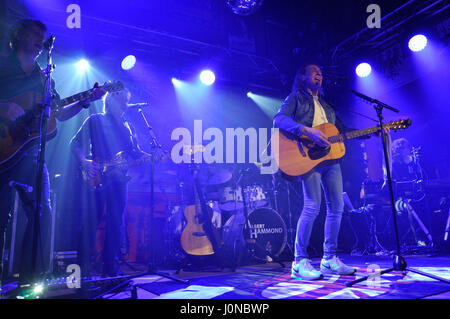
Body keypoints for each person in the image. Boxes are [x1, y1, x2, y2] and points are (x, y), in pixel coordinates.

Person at [0, 19, 104, 286]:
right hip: (3, 150)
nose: (38, 40)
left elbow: (57, 112)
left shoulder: (44, 76)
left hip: (31, 154)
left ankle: (29, 280)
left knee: (41, 213)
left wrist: (83, 102)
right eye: (34, 34)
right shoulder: (3, 65)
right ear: (18, 35)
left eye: (41, 36)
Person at [273, 63, 356, 280]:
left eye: (321, 72)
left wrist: (373, 131)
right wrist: (306, 130)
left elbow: (343, 131)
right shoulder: (296, 98)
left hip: (330, 158)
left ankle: (329, 259)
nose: (319, 74)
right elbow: (279, 119)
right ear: (302, 77)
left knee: (337, 207)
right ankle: (299, 261)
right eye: (314, 72)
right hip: (306, 156)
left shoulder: (327, 105)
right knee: (312, 206)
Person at [70, 88, 151, 277]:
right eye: (122, 100)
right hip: (97, 177)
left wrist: (152, 156)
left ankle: (111, 270)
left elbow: (134, 153)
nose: (125, 104)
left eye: (126, 100)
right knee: (91, 223)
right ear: (111, 101)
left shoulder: (127, 126)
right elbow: (74, 144)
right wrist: (84, 161)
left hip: (119, 181)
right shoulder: (96, 120)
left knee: (116, 224)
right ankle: (81, 272)